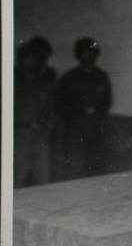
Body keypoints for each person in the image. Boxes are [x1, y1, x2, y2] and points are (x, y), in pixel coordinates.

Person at [55, 37, 112, 178]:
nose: (88, 57)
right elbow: (60, 103)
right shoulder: (69, 77)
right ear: (78, 55)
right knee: (75, 166)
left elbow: (107, 100)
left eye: (92, 53)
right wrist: (79, 112)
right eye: (84, 53)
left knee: (96, 165)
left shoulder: (101, 76)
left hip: (96, 127)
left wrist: (97, 114)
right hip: (75, 128)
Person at [14, 41, 54, 187]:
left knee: (43, 175)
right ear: (21, 59)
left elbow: (50, 108)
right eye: (27, 58)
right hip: (19, 133)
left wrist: (47, 129)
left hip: (40, 134)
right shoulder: (12, 79)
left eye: (34, 59)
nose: (31, 62)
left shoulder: (42, 80)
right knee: (19, 175)